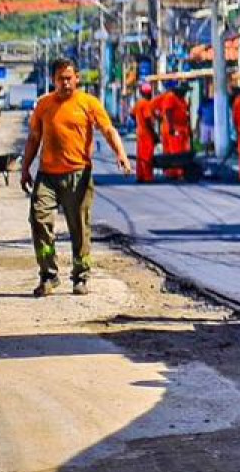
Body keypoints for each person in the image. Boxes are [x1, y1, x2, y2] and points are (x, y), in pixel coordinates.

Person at [19, 59, 132, 296]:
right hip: (47, 175)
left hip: (78, 175)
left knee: (79, 228)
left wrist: (121, 154)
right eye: (61, 78)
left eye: (69, 78)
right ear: (53, 80)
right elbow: (33, 138)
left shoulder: (88, 103)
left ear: (77, 78)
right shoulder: (44, 104)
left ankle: (80, 276)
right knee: (39, 221)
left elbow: (108, 130)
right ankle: (48, 275)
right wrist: (25, 167)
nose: (65, 83)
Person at [131, 83, 159, 184]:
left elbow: (132, 114)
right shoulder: (146, 104)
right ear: (149, 93)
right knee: (147, 156)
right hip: (147, 134)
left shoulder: (139, 103)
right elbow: (147, 120)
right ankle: (147, 177)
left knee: (141, 155)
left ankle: (140, 176)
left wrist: (138, 122)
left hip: (140, 133)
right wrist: (154, 134)